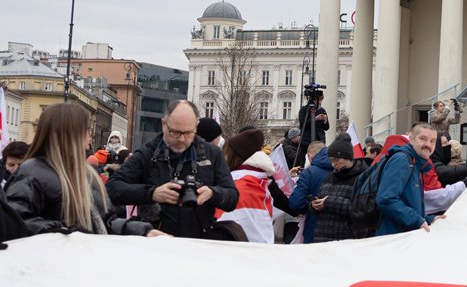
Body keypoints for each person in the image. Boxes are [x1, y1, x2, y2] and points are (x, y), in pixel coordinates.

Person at [5, 103, 161, 237]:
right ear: (69, 134)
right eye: (86, 130)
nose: (90, 136)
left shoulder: (86, 174)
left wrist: (143, 231)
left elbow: (105, 222)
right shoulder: (32, 172)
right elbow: (15, 220)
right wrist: (65, 232)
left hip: (82, 261)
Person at [106, 100, 239, 238]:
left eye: (188, 133)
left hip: (200, 241)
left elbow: (232, 197)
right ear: (164, 124)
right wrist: (152, 193)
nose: (182, 139)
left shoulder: (212, 154)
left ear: (196, 126)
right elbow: (112, 188)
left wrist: (212, 193)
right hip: (157, 240)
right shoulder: (148, 154)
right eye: (175, 132)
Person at [213, 127, 278, 243]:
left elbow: (220, 226)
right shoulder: (256, 181)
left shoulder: (238, 186)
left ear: (234, 157)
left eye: (226, 154)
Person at [375, 123, 439, 235]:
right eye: (423, 139)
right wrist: (416, 221)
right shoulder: (402, 160)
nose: (428, 145)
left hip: (403, 235)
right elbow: (386, 199)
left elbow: (410, 203)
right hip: (392, 237)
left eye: (432, 141)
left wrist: (430, 219)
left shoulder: (417, 164)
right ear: (411, 139)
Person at [311, 137, 368, 243]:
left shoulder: (362, 178)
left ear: (349, 158)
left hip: (348, 240)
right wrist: (315, 205)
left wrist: (329, 202)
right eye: (331, 160)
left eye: (336, 160)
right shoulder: (329, 177)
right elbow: (321, 199)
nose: (333, 164)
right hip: (322, 238)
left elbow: (361, 209)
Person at [289, 138, 337, 243]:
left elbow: (296, 203)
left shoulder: (309, 173)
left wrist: (309, 206)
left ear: (310, 156)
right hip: (341, 230)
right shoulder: (341, 168)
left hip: (315, 227)